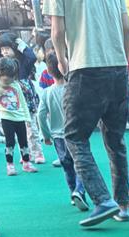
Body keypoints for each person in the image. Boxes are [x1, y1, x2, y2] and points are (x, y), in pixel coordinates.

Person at [46, 0, 129, 227]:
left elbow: (57, 31)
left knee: (74, 137)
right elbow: (126, 28)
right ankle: (123, 204)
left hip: (84, 67)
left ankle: (102, 200)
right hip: (118, 68)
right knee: (116, 140)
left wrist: (62, 60)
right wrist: (122, 61)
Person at [38, 52, 87, 210]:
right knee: (80, 163)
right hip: (76, 133)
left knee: (67, 166)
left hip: (58, 136)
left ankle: (73, 192)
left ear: (48, 71)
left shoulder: (47, 93)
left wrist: (46, 135)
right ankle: (80, 191)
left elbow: (41, 115)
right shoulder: (73, 89)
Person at [0, 30, 46, 163]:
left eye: (7, 48)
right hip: (11, 104)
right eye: (2, 49)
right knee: (19, 130)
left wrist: (21, 44)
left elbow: (31, 57)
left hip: (25, 101)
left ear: (15, 49)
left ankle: (37, 153)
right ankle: (26, 154)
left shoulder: (22, 64)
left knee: (31, 127)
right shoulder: (2, 63)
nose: (4, 52)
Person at [0, 57, 38, 176]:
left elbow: (22, 102)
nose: (9, 81)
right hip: (6, 117)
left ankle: (26, 162)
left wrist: (27, 118)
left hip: (20, 118)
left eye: (12, 78)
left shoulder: (15, 84)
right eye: (7, 79)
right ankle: (10, 164)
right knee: (10, 142)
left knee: (23, 141)